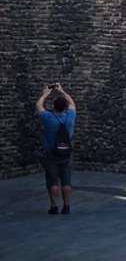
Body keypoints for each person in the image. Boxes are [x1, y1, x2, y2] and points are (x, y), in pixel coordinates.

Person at [36, 83, 76, 215]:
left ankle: (54, 206)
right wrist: (62, 91)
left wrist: (45, 94)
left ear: (53, 107)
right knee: (66, 181)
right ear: (65, 107)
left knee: (53, 181)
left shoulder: (48, 118)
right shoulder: (70, 117)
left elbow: (39, 106)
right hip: (66, 153)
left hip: (51, 154)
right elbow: (72, 104)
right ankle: (67, 206)